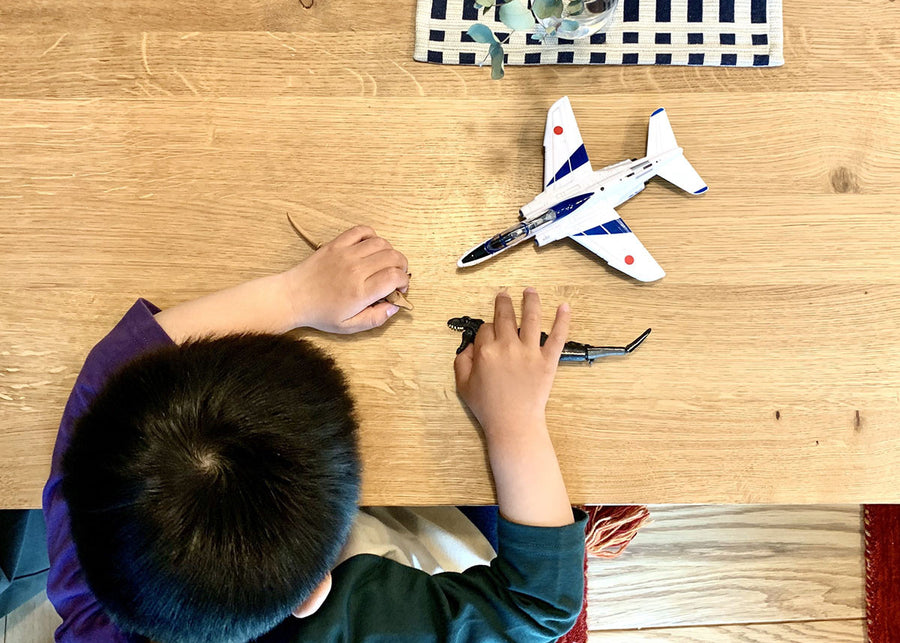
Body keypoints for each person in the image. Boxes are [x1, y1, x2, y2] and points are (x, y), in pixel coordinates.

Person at [43, 225, 587, 643]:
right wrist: (515, 421)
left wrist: (295, 294)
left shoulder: (98, 595)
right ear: (316, 592)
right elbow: (541, 604)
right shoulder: (372, 622)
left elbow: (113, 369)